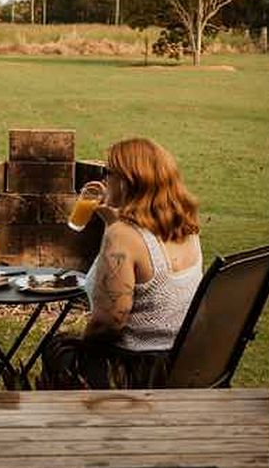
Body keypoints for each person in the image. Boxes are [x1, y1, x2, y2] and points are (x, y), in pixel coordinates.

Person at [39, 137, 203, 389]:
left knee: (57, 348)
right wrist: (112, 221)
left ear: (127, 181)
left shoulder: (123, 235)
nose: (104, 181)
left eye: (108, 173)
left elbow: (109, 321)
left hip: (133, 371)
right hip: (182, 362)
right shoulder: (186, 227)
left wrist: (82, 338)